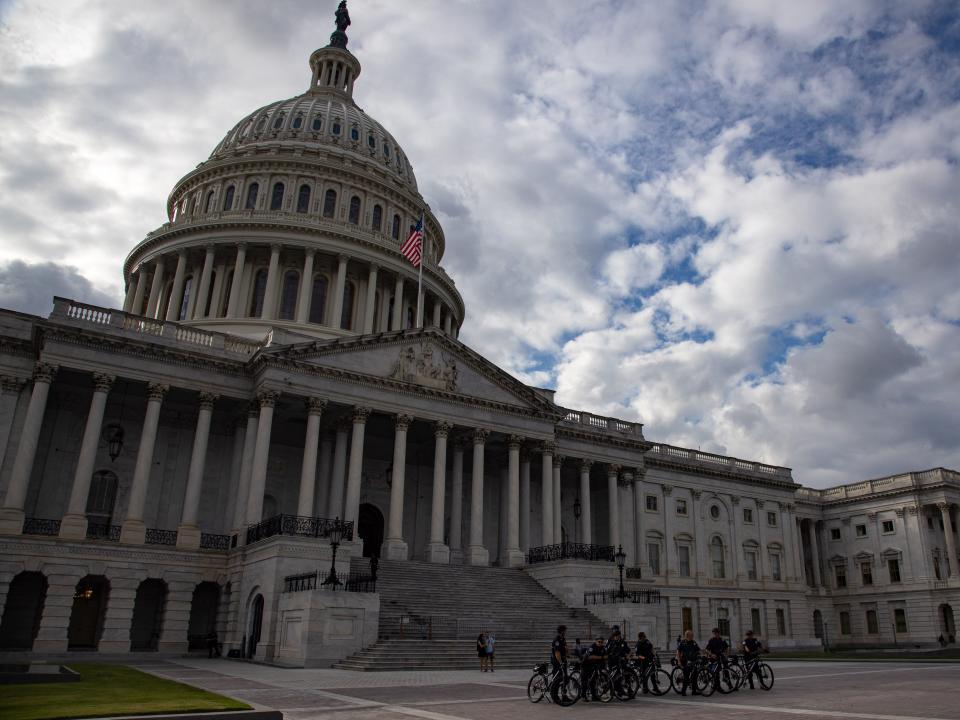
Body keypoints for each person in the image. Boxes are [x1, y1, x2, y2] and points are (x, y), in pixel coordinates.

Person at [581, 636, 608, 701]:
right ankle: (583, 696)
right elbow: (590, 657)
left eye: (602, 642)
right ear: (596, 641)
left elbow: (606, 657)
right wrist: (601, 657)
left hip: (594, 665)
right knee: (585, 681)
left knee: (593, 681)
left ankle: (594, 696)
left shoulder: (603, 648)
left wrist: (603, 660)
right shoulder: (592, 647)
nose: (600, 643)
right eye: (599, 642)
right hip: (586, 665)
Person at [676, 630, 701, 696]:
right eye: (691, 635)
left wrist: (700, 655)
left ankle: (694, 691)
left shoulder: (694, 642)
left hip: (693, 661)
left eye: (692, 635)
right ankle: (683, 691)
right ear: (687, 636)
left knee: (695, 676)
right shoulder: (682, 643)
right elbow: (678, 652)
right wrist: (679, 661)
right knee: (686, 677)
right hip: (685, 661)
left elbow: (698, 650)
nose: (692, 636)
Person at [551, 625, 569, 689]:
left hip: (563, 660)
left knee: (565, 678)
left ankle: (563, 695)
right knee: (557, 678)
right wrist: (560, 663)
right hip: (557, 661)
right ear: (562, 631)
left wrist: (566, 651)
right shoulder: (557, 640)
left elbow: (566, 648)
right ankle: (554, 695)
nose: (565, 632)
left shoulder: (563, 639)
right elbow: (557, 653)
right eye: (565, 631)